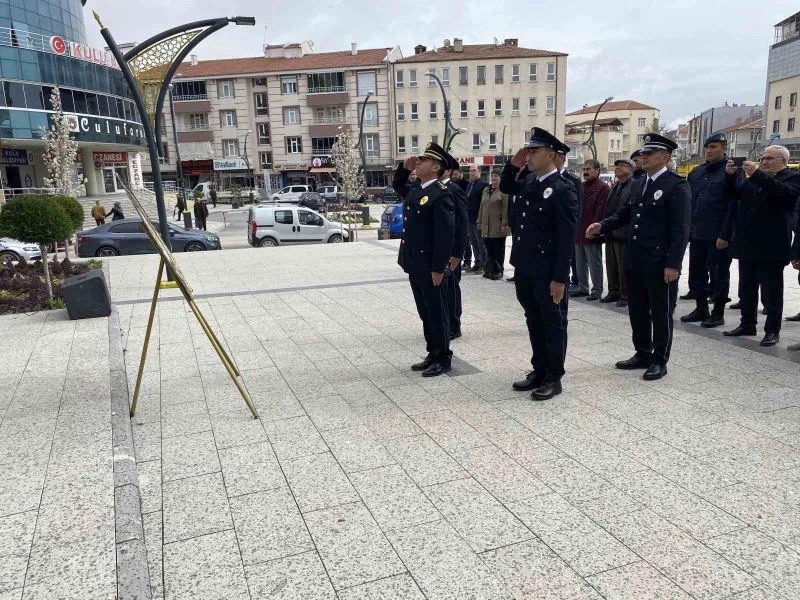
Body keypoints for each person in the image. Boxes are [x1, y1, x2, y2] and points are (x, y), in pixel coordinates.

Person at [587, 133, 690, 381]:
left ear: (665, 157)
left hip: (659, 262)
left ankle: (659, 360)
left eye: (649, 153)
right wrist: (603, 225)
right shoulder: (639, 183)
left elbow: (681, 230)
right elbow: (625, 213)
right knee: (638, 310)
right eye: (642, 153)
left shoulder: (676, 185)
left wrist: (673, 264)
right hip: (635, 259)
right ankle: (642, 352)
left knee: (661, 312)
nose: (643, 157)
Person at [501, 128, 578, 401]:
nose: (529, 155)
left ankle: (554, 377)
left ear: (552, 154)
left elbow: (566, 239)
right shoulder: (529, 182)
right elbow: (506, 186)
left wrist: (559, 278)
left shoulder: (563, 189)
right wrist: (513, 165)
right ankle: (539, 369)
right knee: (533, 320)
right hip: (525, 267)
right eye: (529, 150)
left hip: (548, 272)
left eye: (534, 151)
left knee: (553, 323)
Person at [723, 145, 800, 347]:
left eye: (770, 158)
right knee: (747, 288)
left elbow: (783, 193)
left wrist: (756, 174)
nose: (764, 161)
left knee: (772, 291)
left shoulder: (792, 178)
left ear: (783, 161)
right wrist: (731, 176)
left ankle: (772, 330)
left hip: (772, 246)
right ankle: (747, 324)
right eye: (763, 158)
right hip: (748, 243)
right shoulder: (755, 179)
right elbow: (736, 194)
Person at [397, 142, 455, 377]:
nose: (418, 162)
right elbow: (398, 185)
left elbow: (445, 234)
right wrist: (404, 168)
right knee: (425, 312)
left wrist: (439, 267)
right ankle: (432, 352)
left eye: (424, 160)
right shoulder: (417, 190)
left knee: (437, 312)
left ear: (435, 167)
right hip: (415, 263)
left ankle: (443, 357)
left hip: (431, 265)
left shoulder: (441, 194)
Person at [681, 133, 736, 328]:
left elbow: (734, 203)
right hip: (697, 232)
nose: (709, 151)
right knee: (697, 272)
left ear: (724, 148)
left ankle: (718, 312)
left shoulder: (731, 170)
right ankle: (701, 307)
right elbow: (689, 202)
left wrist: (725, 234)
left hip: (718, 234)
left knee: (719, 273)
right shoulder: (697, 172)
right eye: (707, 147)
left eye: (714, 147)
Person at [572, 159, 609, 300]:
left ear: (597, 171)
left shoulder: (603, 187)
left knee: (594, 263)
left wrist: (594, 229)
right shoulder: (581, 186)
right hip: (579, 229)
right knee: (580, 262)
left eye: (588, 169)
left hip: (592, 230)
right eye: (584, 169)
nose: (585, 172)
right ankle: (582, 287)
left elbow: (600, 210)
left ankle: (597, 289)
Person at [442, 153, 469, 339]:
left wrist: (458, 253)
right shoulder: (434, 189)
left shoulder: (454, 190)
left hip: (451, 251)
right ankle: (444, 323)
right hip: (438, 249)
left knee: (451, 288)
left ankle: (454, 325)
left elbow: (462, 224)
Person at [601, 159, 635, 306]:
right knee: (611, 265)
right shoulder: (616, 185)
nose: (617, 168)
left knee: (623, 267)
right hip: (610, 231)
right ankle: (613, 291)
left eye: (622, 166)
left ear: (631, 169)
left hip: (624, 233)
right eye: (616, 166)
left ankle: (625, 294)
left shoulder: (633, 186)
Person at [554, 148, 583, 291]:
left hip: (567, 226)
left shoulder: (573, 180)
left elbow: (578, 207)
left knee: (571, 256)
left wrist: (575, 228)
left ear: (563, 158)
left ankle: (575, 280)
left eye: (558, 156)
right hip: (552, 228)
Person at [476, 169, 509, 280]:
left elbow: (505, 208)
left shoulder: (503, 190)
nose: (493, 178)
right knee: (489, 250)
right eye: (492, 176)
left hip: (497, 225)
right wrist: (479, 221)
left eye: (496, 176)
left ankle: (499, 271)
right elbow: (481, 206)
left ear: (500, 178)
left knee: (498, 250)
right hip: (486, 226)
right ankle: (490, 270)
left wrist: (504, 224)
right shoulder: (486, 190)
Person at [463, 164, 489, 272]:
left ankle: (483, 264)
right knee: (473, 242)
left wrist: (481, 218)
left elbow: (485, 203)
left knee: (481, 243)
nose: (471, 173)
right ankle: (477, 262)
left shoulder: (484, 185)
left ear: (479, 171)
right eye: (470, 171)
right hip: (469, 218)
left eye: (474, 170)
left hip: (478, 218)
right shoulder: (469, 185)